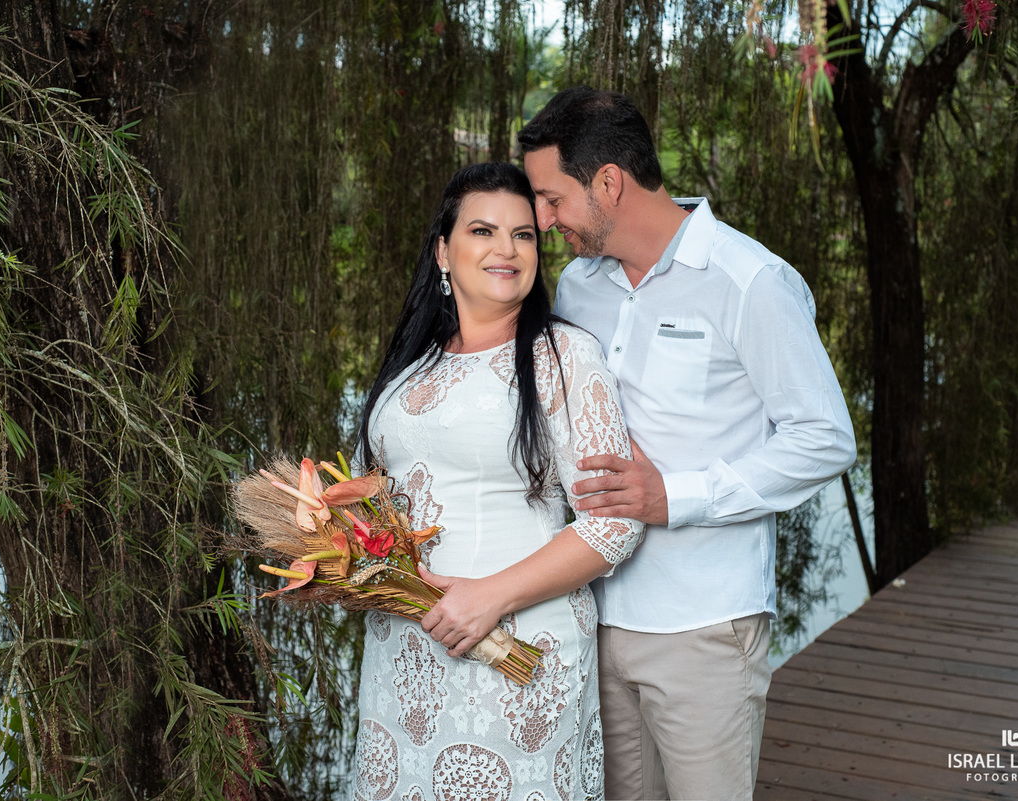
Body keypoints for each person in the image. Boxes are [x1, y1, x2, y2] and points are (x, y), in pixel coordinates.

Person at [518, 87, 858, 801]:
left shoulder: (749, 281)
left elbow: (824, 438)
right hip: (593, 615)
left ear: (608, 181)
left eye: (552, 200)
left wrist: (675, 495)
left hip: (704, 627)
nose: (543, 222)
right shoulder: (580, 287)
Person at [352, 161, 644, 801]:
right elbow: (370, 493)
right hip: (404, 651)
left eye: (524, 235)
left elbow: (614, 524)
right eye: (483, 231)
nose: (507, 250)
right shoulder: (410, 366)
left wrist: (491, 597)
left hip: (516, 648)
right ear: (443, 252)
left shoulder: (566, 358)